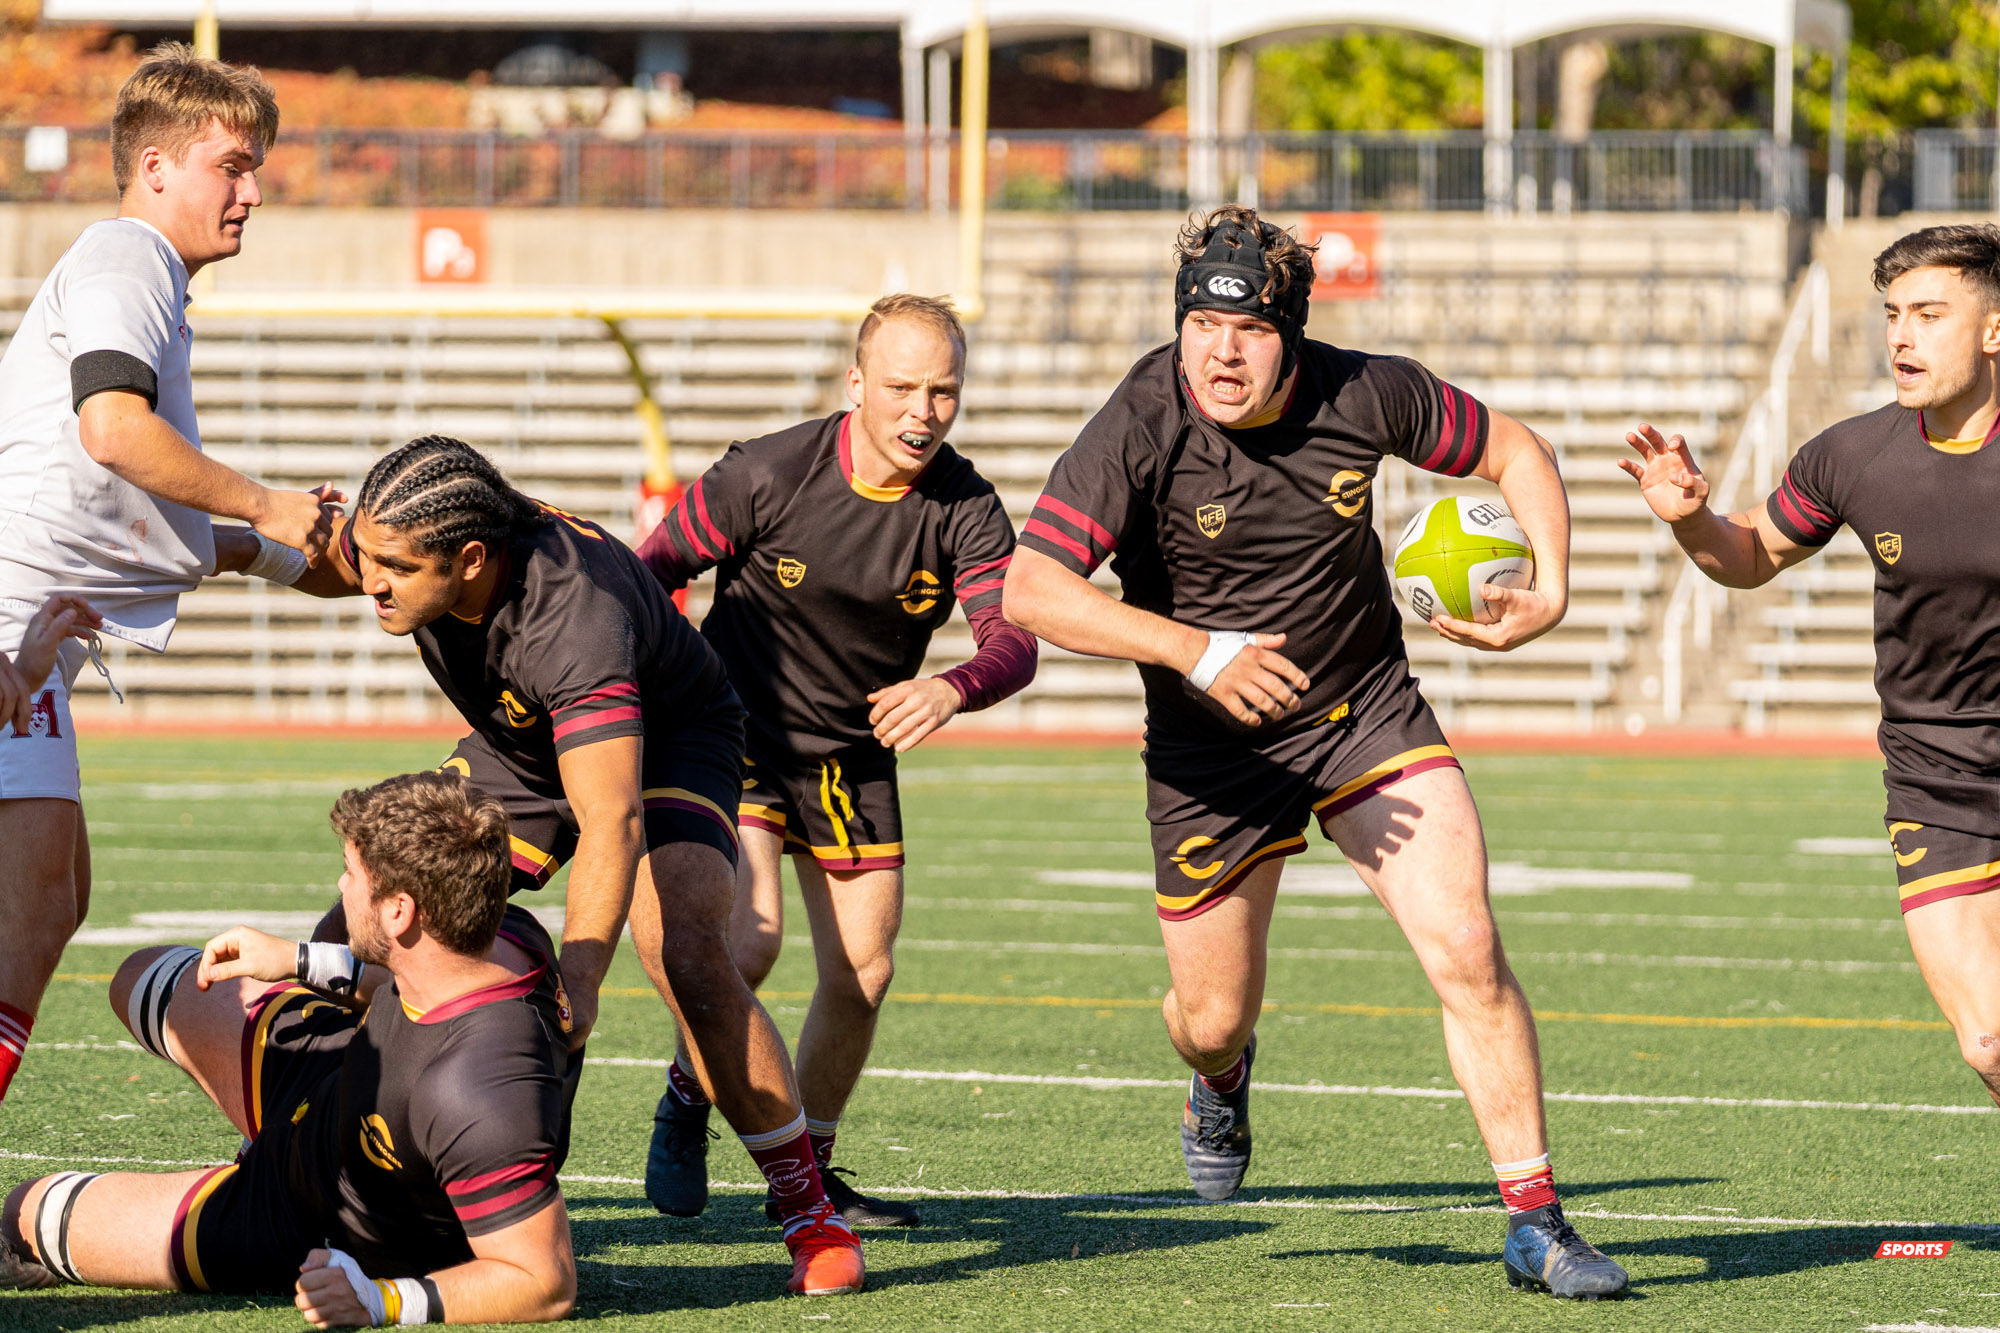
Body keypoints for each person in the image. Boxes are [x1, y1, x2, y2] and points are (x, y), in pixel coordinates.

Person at [1001, 205, 1628, 1299]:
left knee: (1467, 946)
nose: (1216, 351)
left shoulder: (1365, 391)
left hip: (1361, 712)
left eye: (1243, 330)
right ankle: (1221, 1079)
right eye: (1199, 323)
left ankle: (1534, 1219)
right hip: (1209, 755)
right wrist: (1196, 653)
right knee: (1207, 1018)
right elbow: (1031, 588)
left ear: (1288, 331)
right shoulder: (1143, 416)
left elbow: (1514, 450)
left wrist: (1555, 584)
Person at [235, 436, 864, 1295]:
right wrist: (225, 549)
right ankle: (310, 1157)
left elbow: (611, 820)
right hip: (522, 741)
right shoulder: (421, 526)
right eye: (370, 558)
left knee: (688, 954)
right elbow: (315, 549)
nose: (371, 581)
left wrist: (583, 973)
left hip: (672, 742)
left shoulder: (574, 620)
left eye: (392, 568)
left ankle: (807, 1210)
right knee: (370, 912)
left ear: (468, 560)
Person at [0, 42, 337, 1253]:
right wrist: (270, 508)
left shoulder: (142, 275)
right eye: (231, 165)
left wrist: (305, 556)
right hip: (6, 617)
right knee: (31, 906)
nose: (252, 191)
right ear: (154, 167)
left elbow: (162, 518)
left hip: (29, 629)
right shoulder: (125, 253)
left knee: (48, 899)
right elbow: (112, 432)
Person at [634, 294, 1037, 1227]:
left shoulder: (966, 505)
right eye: (901, 387)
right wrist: (663, 680)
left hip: (850, 757)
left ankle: (807, 1177)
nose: (922, 412)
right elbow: (644, 576)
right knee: (753, 938)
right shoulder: (767, 472)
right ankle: (688, 1101)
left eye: (944, 391)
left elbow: (1010, 639)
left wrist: (953, 686)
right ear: (856, 383)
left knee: (865, 971)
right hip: (726, 734)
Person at [1622, 222, 2000, 1113]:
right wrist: (1689, 518)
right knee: (1989, 1038)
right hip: (1937, 776)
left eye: (1929, 314)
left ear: (1993, 330)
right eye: (1892, 315)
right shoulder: (1853, 454)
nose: (1902, 336)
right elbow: (1748, 554)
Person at [2, 772, 577, 1326]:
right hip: (331, 1080)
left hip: (301, 1217)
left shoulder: (479, 1091)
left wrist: (382, 1302)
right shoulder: (506, 934)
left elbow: (543, 1280)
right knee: (138, 975)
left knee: (24, 1211)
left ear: (400, 910)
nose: (341, 886)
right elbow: (411, 969)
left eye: (352, 872)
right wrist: (297, 960)